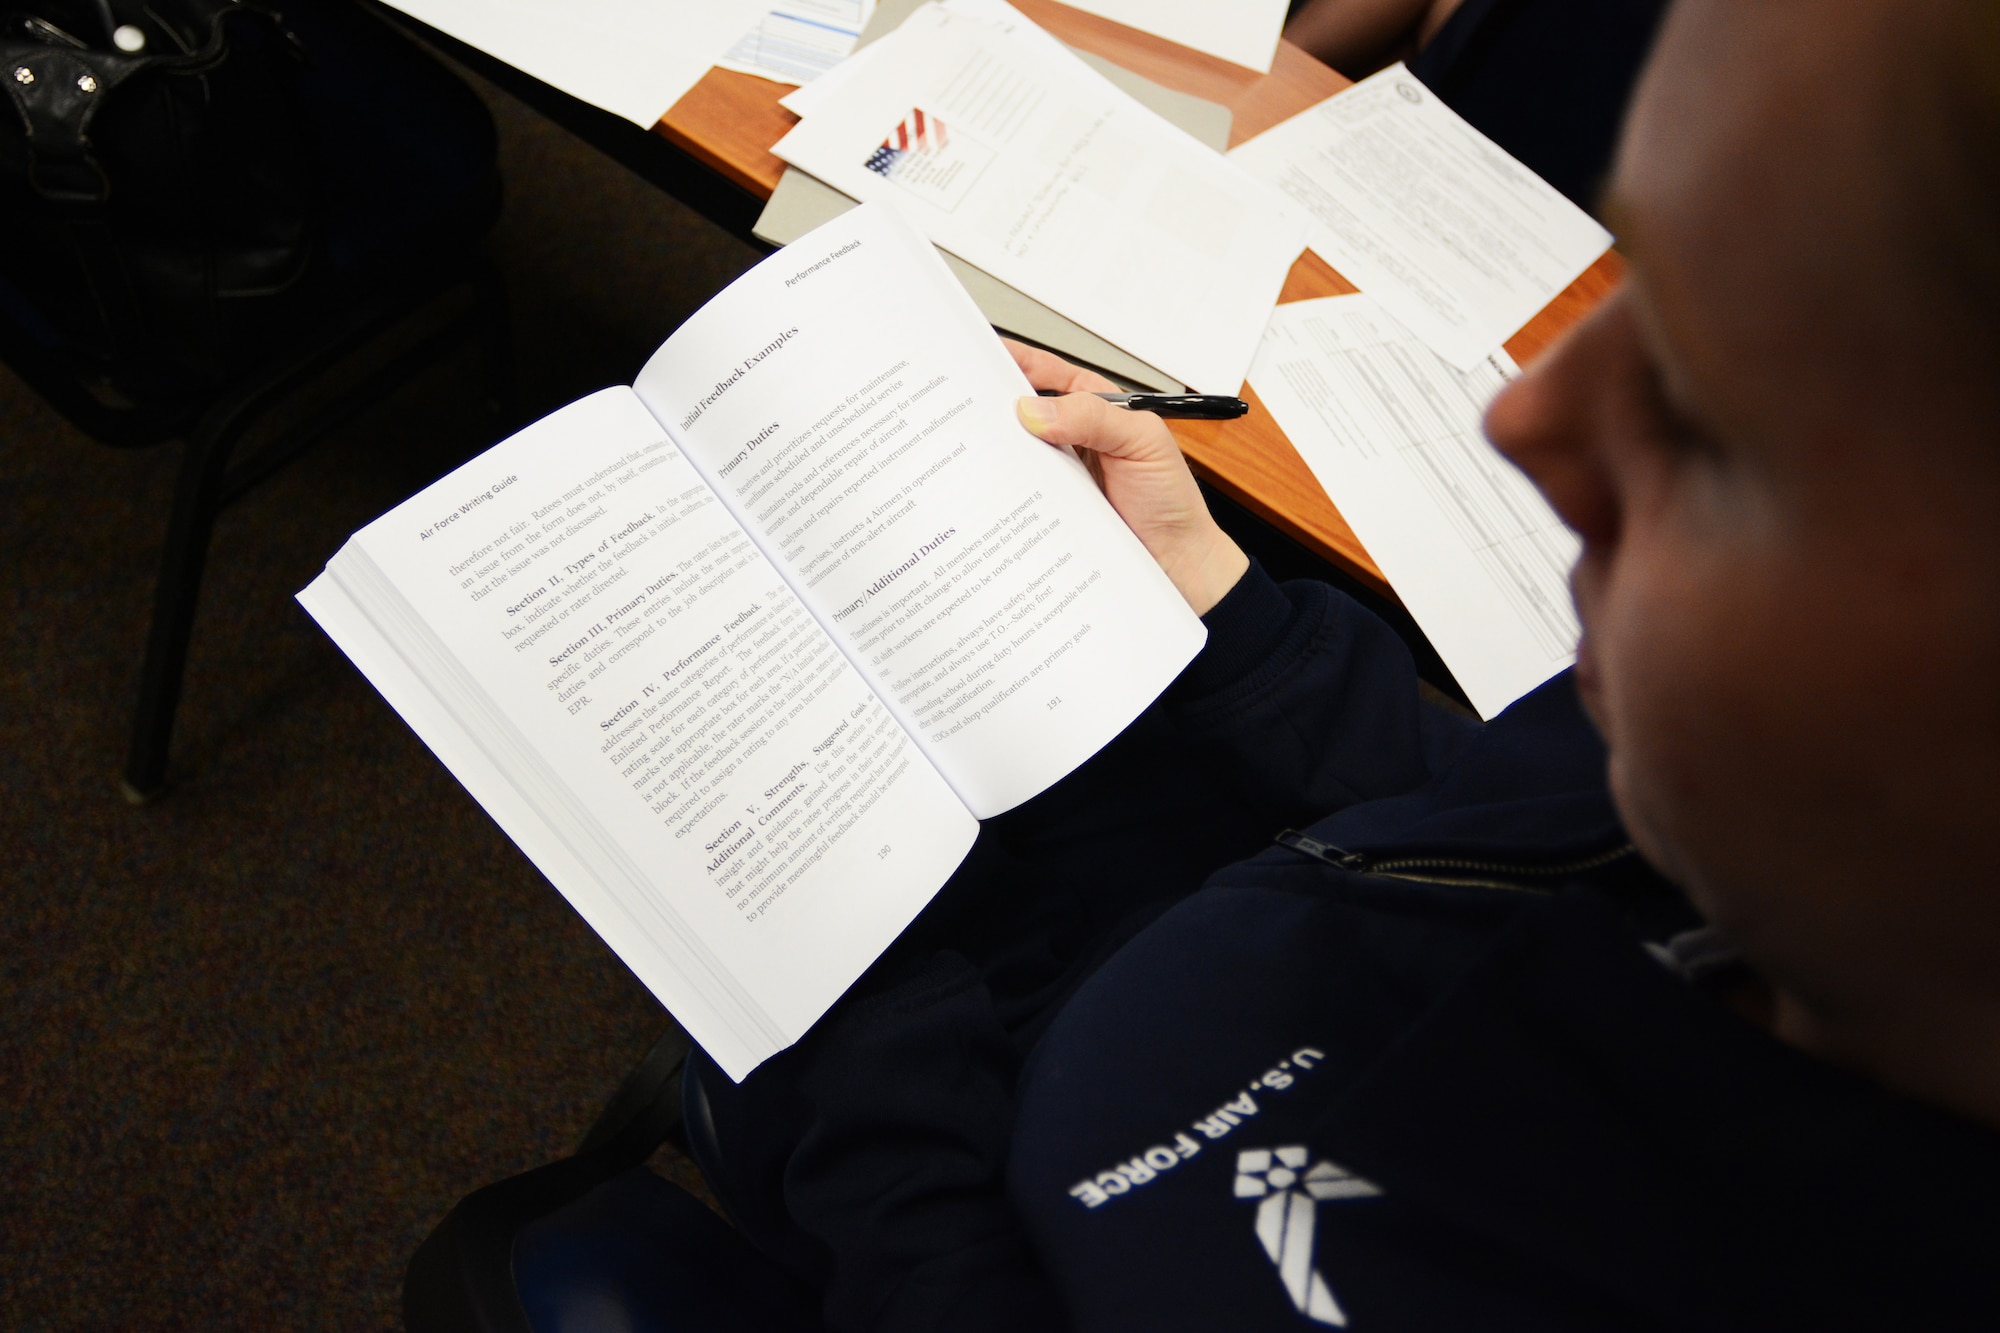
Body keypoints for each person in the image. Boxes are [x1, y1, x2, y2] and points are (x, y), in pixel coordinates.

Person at [688, 0, 2000, 1326]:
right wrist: (1230, 610)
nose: (1522, 416)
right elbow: (1466, 812)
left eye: (1714, 405)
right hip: (1191, 891)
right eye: (1646, 281)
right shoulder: (1737, 779)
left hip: (941, 1121)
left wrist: (857, 977)